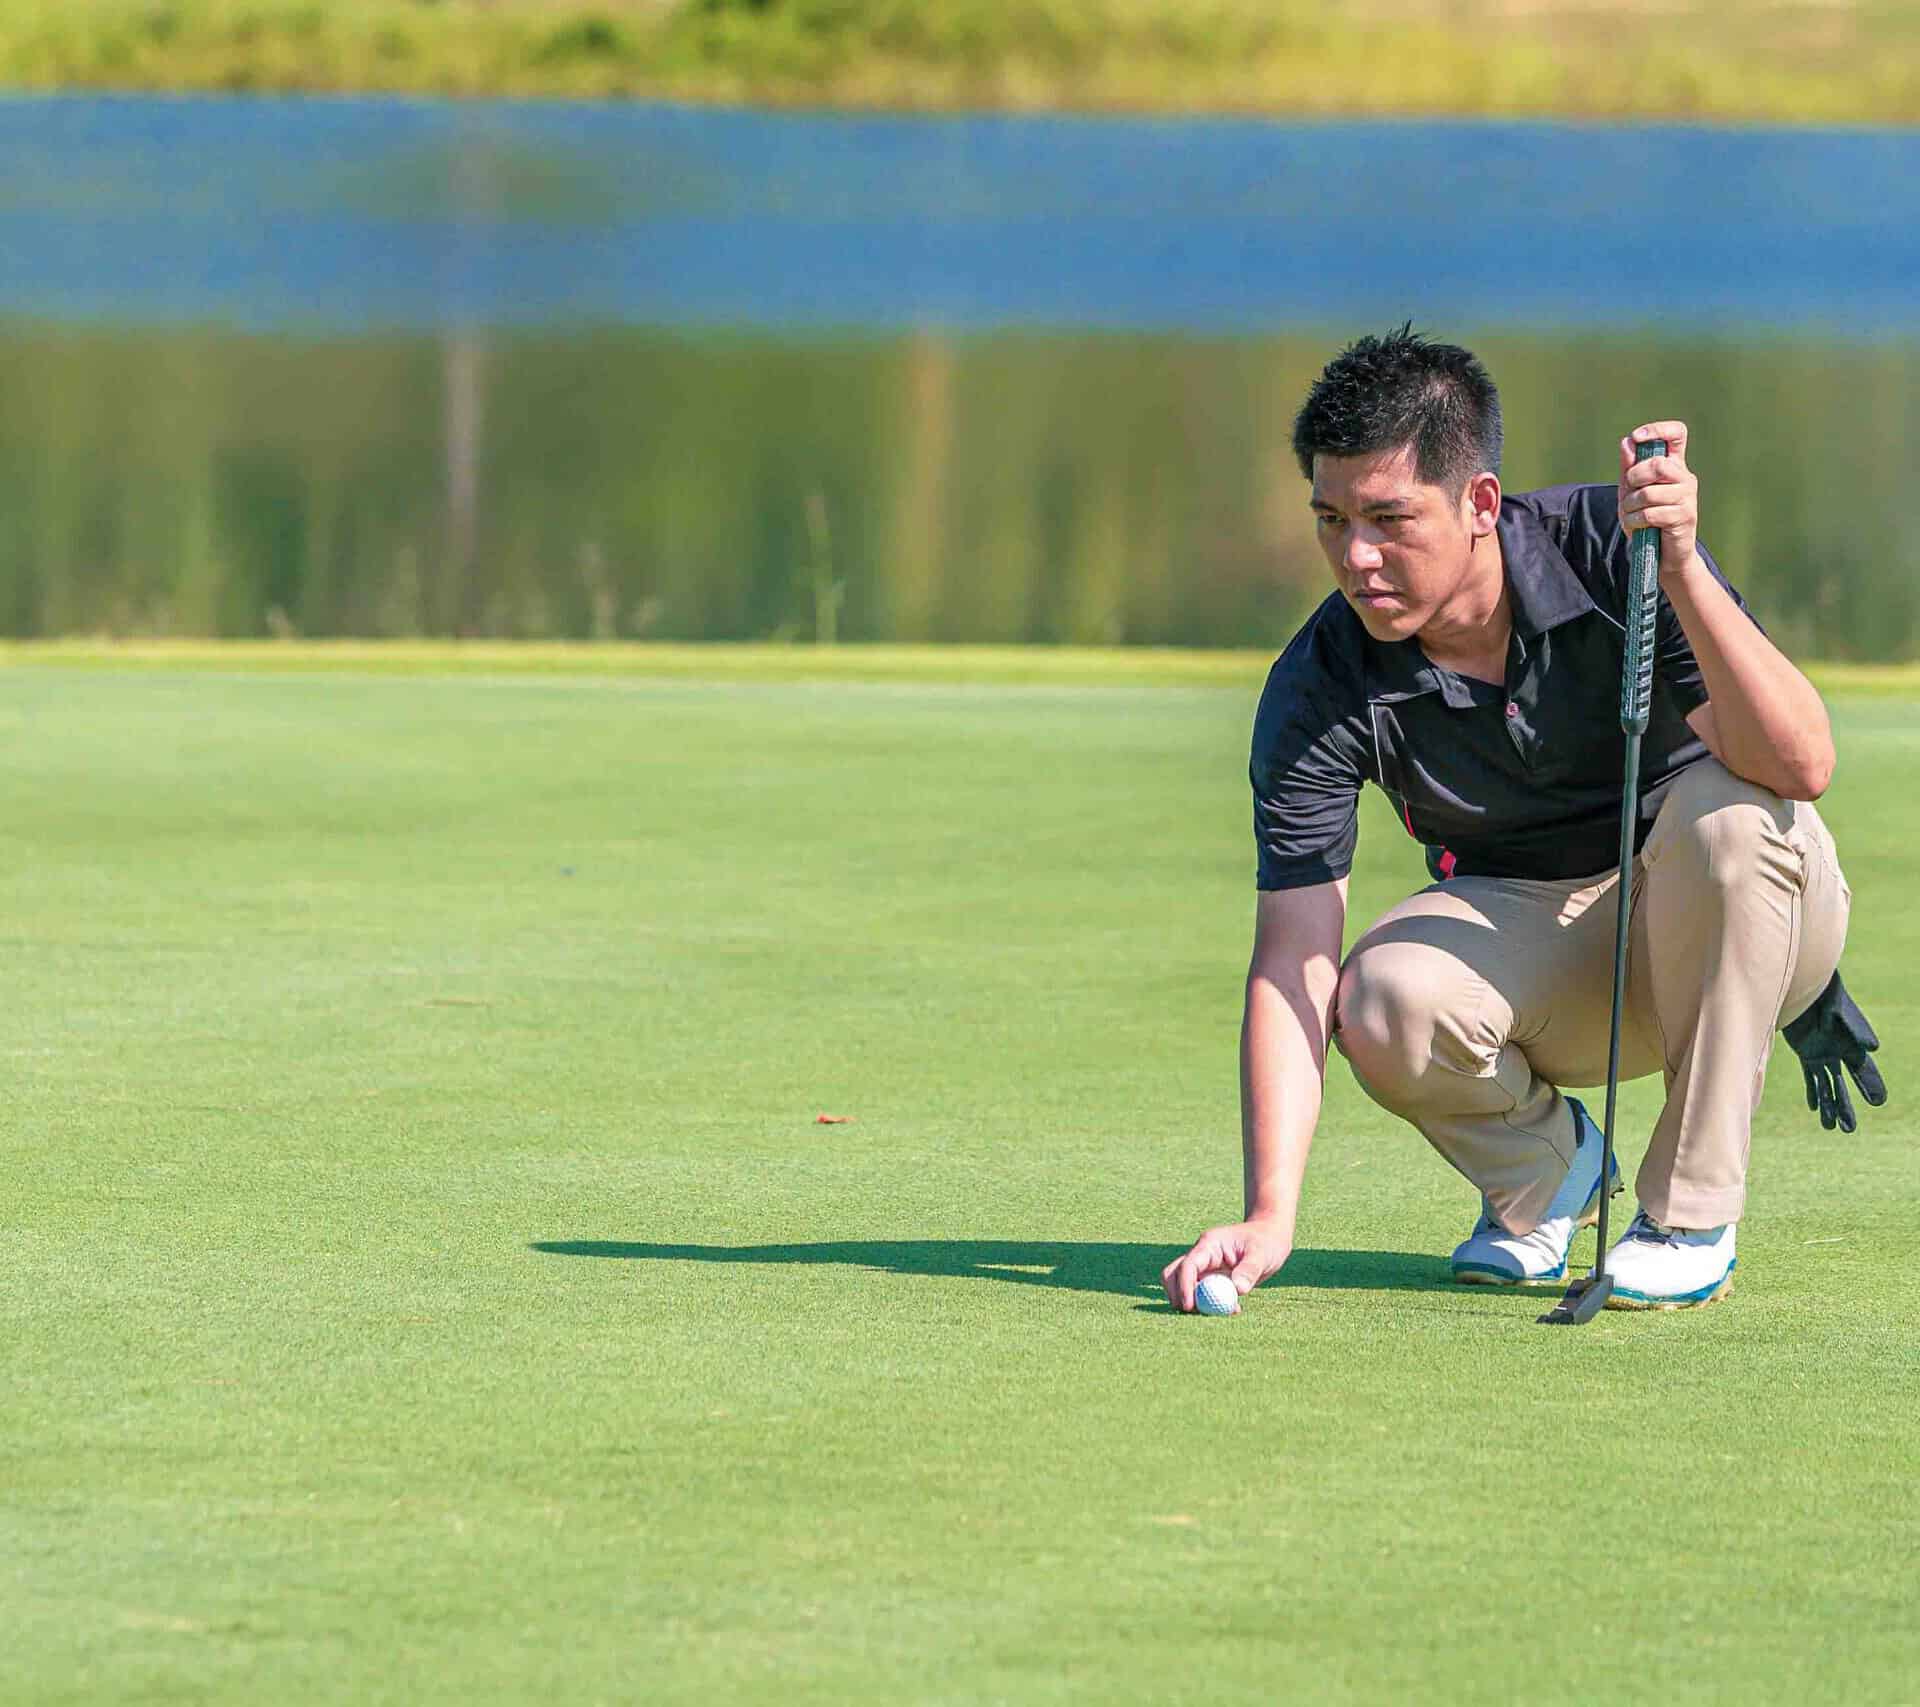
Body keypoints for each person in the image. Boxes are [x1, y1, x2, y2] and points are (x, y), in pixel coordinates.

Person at [1162, 326, 1886, 1315]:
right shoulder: (1321, 683)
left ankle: (1686, 1220)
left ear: (1481, 504)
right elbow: (1293, 961)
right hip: (1562, 964)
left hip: (1752, 910)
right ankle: (1550, 1175)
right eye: (1331, 520)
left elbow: (1802, 765)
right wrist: (1270, 1211)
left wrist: (1678, 571)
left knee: (1728, 816)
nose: (1356, 558)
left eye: (1388, 518)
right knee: (1382, 999)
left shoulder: (1612, 554)